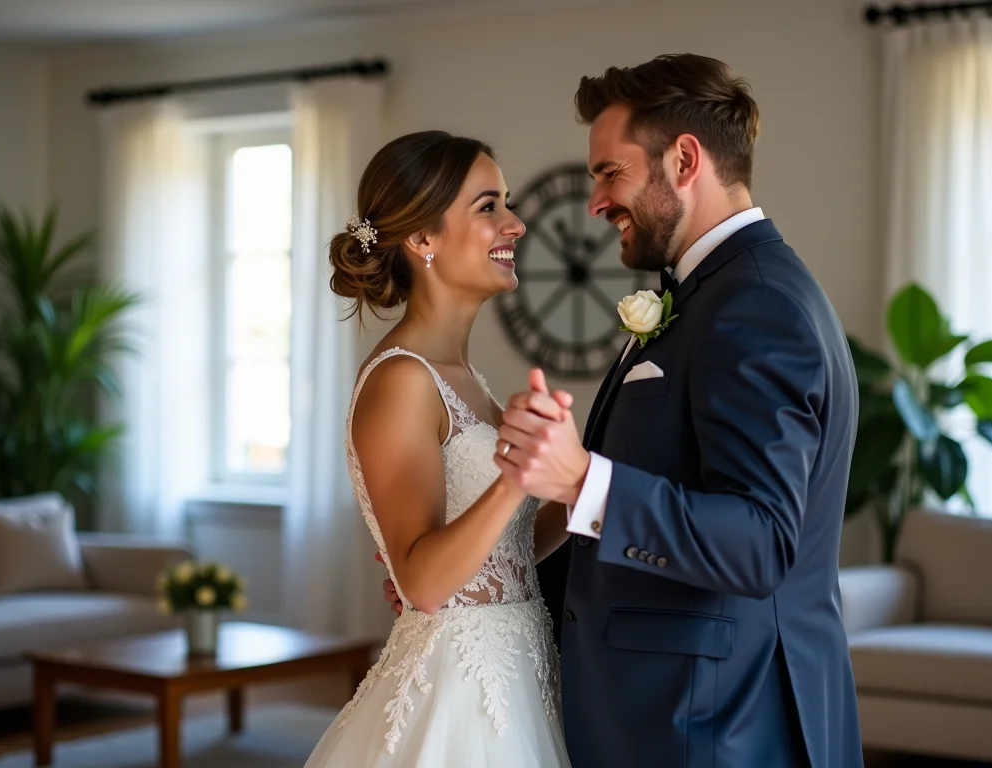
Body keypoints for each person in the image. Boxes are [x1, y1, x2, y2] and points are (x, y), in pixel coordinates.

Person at [387, 54, 865, 767]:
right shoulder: (712, 293)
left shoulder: (754, 304)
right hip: (672, 709)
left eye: (611, 173)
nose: (596, 202)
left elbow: (762, 541)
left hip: (717, 722)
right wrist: (479, 589)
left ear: (684, 160)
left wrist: (583, 480)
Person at [303, 130, 573, 767]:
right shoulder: (402, 379)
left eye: (505, 203)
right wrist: (516, 474)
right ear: (422, 239)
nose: (516, 223)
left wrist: (589, 486)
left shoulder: (465, 380)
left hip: (518, 672)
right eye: (489, 207)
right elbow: (422, 582)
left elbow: (497, 555)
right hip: (455, 690)